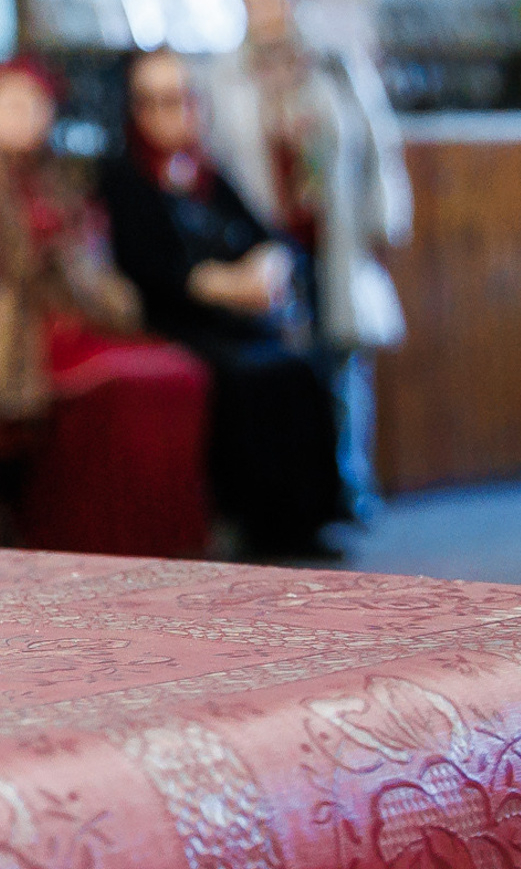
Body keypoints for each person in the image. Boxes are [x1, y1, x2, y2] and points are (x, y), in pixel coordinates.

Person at [0, 57, 210, 558]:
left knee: (177, 371)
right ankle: (81, 541)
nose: (23, 115)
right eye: (10, 103)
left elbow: (96, 266)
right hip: (8, 337)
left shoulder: (59, 178)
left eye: (34, 104)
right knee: (116, 386)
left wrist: (72, 265)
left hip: (77, 321)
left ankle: (165, 548)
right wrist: (30, 259)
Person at [100, 46, 349, 558]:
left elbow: (271, 238)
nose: (175, 113)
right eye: (159, 102)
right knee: (241, 377)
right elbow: (150, 270)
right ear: (136, 110)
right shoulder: (123, 179)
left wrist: (266, 269)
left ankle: (308, 520)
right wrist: (229, 284)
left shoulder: (206, 172)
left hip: (238, 315)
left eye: (183, 100)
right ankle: (249, 526)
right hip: (174, 321)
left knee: (301, 365)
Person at [199, 0, 410, 509]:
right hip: (266, 236)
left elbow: (375, 139)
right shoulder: (222, 75)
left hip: (332, 228)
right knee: (284, 357)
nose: (268, 6)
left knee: (342, 358)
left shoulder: (330, 64)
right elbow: (217, 156)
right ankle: (295, 491)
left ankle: (349, 480)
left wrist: (383, 216)